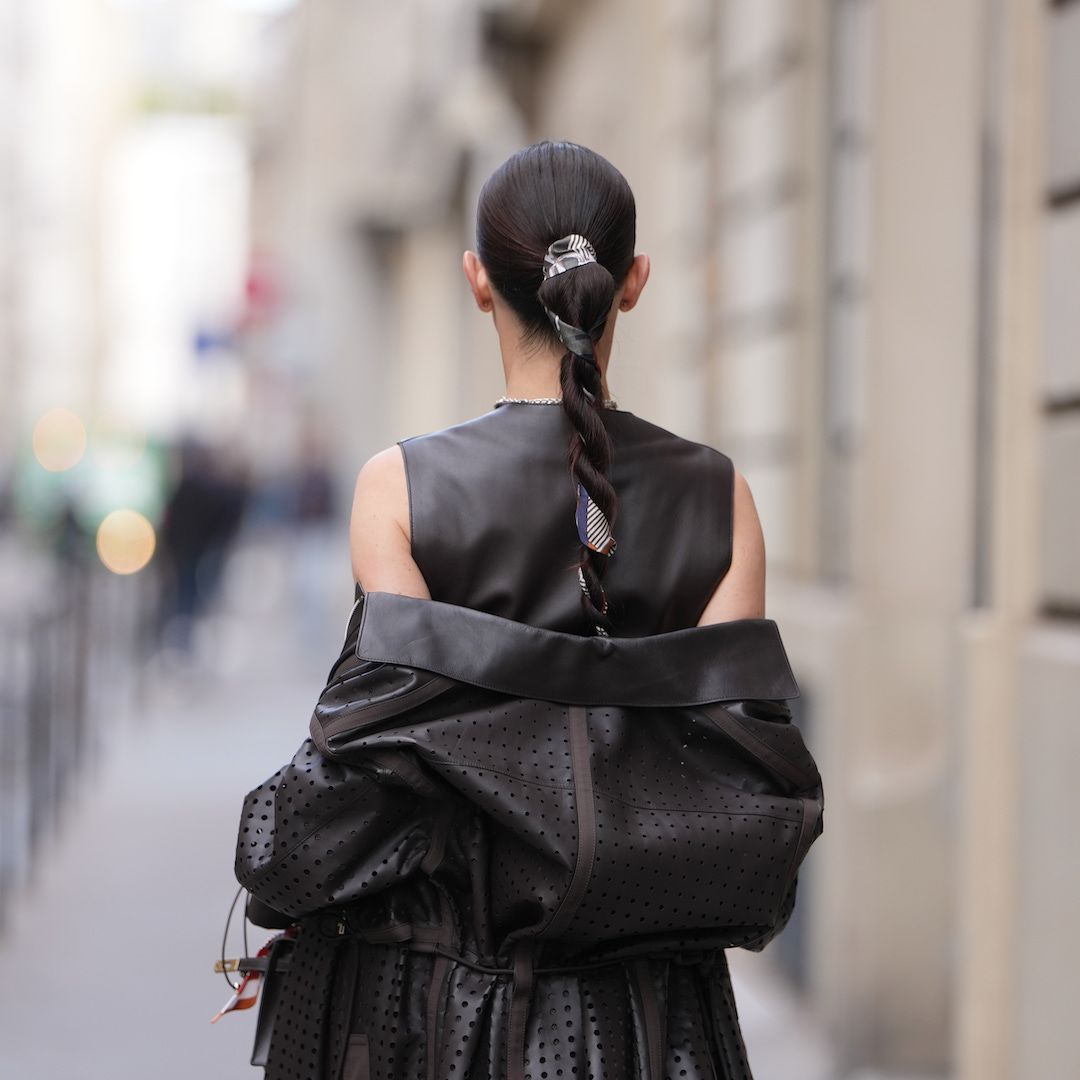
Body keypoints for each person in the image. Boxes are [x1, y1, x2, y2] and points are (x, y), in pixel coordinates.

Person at [244, 139, 792, 1079]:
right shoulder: (720, 496)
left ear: (476, 282)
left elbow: (379, 779)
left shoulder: (401, 487)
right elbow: (733, 796)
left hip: (434, 1012)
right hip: (655, 1020)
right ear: (633, 284)